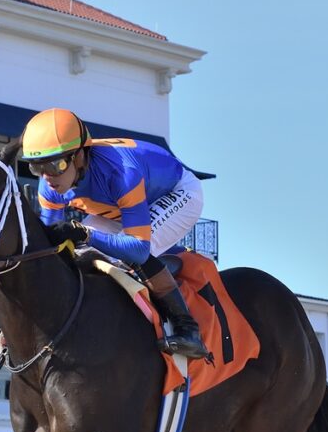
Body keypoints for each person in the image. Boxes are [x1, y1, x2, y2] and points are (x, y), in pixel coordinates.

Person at [21, 107, 208, 358]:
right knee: (82, 256)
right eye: (37, 168)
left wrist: (86, 234)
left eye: (55, 165)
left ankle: (187, 328)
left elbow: (139, 249)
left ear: (78, 157)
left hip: (177, 193)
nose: (47, 177)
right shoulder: (50, 184)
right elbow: (49, 247)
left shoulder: (120, 172)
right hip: (119, 207)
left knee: (128, 255)